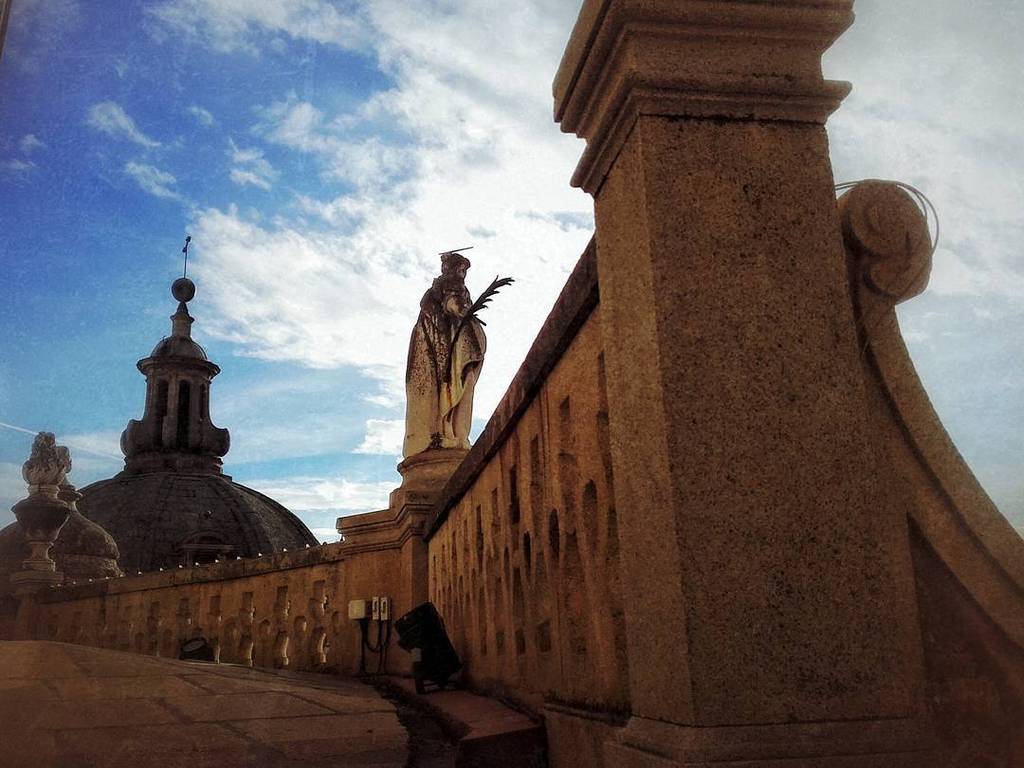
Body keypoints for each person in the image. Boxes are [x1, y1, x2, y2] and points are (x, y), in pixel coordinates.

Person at [403, 251, 486, 457]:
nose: (462, 273)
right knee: (451, 387)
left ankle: (451, 433)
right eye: (461, 268)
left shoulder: (441, 289)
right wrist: (465, 311)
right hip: (444, 350)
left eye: (464, 270)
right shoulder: (449, 285)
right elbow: (454, 306)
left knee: (456, 386)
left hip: (448, 348)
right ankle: (447, 433)